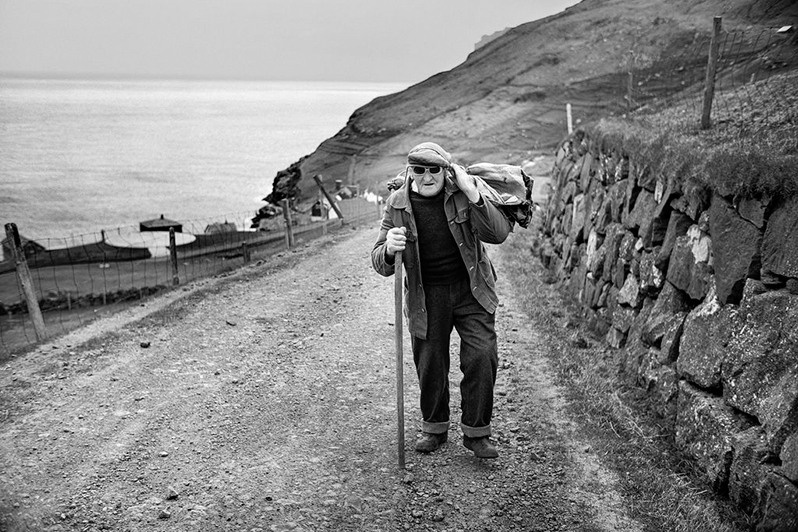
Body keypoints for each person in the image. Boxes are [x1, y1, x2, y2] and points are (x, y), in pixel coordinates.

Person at [371, 142, 512, 459]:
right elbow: (379, 262)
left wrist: (473, 193)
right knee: (430, 362)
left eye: (434, 169)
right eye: (419, 170)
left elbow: (499, 233)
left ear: (444, 170)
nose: (427, 176)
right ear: (411, 172)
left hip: (471, 288)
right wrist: (390, 249)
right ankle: (434, 427)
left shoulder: (462, 193)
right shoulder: (397, 206)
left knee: (482, 355)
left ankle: (477, 433)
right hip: (427, 295)